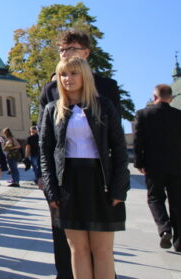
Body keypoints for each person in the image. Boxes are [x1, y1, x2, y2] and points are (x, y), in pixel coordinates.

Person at [38, 29, 121, 279]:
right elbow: (45, 141)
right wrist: (47, 180)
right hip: (66, 176)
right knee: (70, 245)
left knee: (101, 248)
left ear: (85, 52)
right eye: (62, 51)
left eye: (71, 49)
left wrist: (119, 185)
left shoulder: (106, 88)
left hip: (98, 176)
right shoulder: (51, 91)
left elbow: (115, 142)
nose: (65, 55)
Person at [134, 84, 181, 251]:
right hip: (178, 166)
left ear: (155, 97)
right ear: (171, 98)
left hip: (153, 165)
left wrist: (139, 163)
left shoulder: (143, 114)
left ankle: (164, 229)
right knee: (178, 201)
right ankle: (180, 241)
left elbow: (137, 141)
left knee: (155, 198)